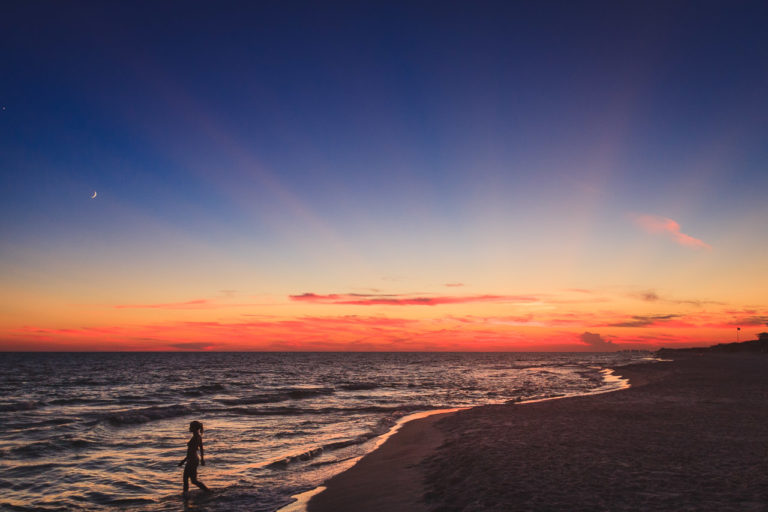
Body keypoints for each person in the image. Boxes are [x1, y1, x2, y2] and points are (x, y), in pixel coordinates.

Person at [178, 420, 210, 498]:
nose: (190, 428)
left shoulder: (195, 437)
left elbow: (191, 451)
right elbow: (201, 449)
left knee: (186, 479)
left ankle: (185, 495)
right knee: (193, 480)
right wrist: (202, 459)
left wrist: (184, 461)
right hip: (194, 459)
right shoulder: (198, 437)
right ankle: (207, 491)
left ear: (195, 428)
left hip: (192, 460)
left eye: (191, 426)